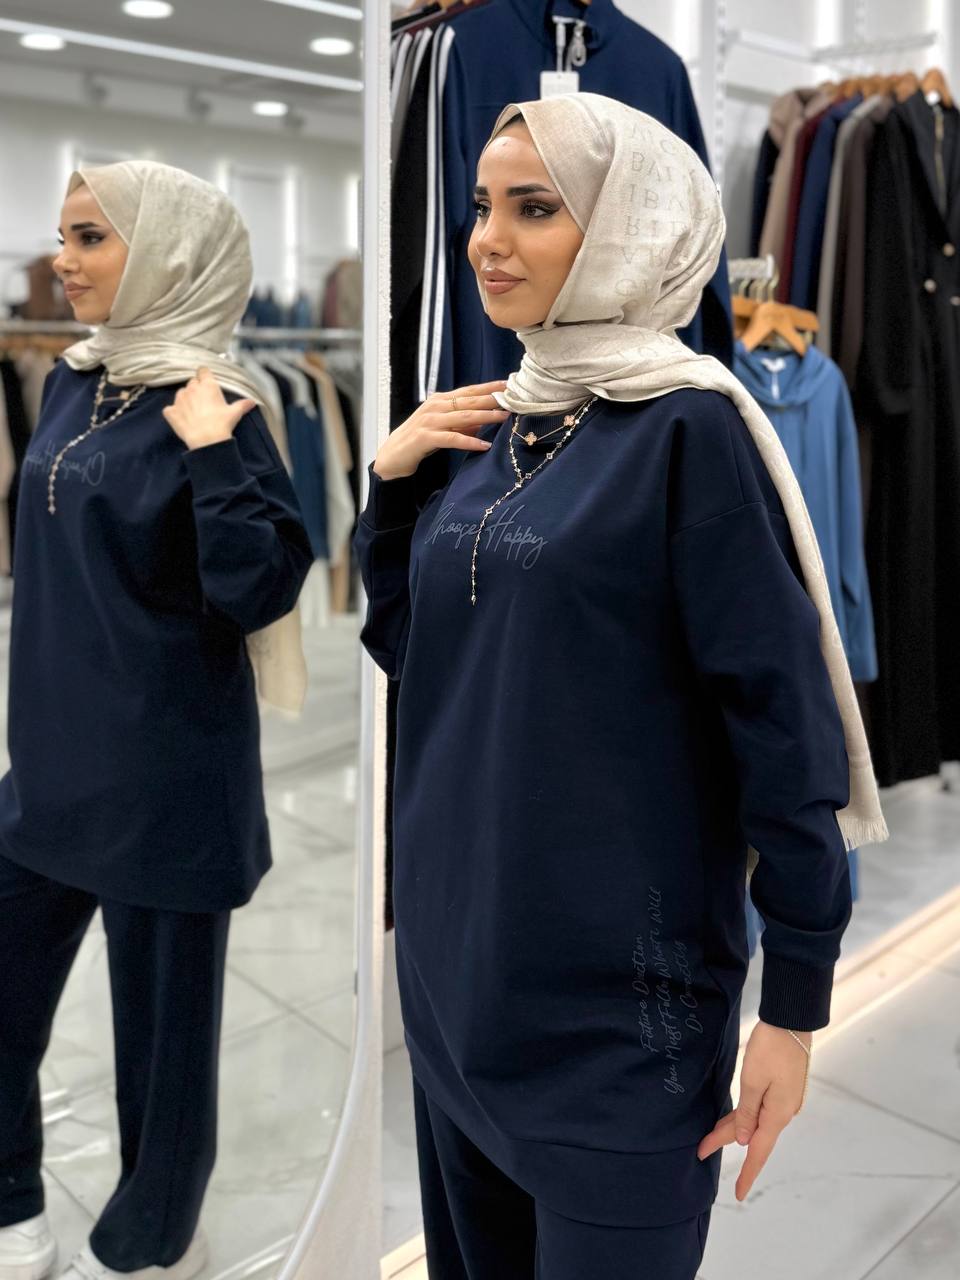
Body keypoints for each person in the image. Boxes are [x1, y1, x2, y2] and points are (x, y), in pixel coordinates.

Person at [354, 93, 888, 1279]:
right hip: (455, 992)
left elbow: (781, 733)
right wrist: (391, 489)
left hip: (618, 1031)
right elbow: (425, 656)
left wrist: (795, 1006)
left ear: (630, 226)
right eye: (482, 206)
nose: (488, 240)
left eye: (534, 209)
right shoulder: (500, 423)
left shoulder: (688, 433)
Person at [0, 161, 313, 1280]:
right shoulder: (71, 380)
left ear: (171, 251)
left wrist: (214, 454)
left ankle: (153, 1238)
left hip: (167, 784)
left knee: (163, 1054)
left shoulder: (219, 403)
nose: (63, 261)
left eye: (91, 236)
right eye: (63, 236)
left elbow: (260, 588)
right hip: (48, 770)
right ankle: (11, 1199)